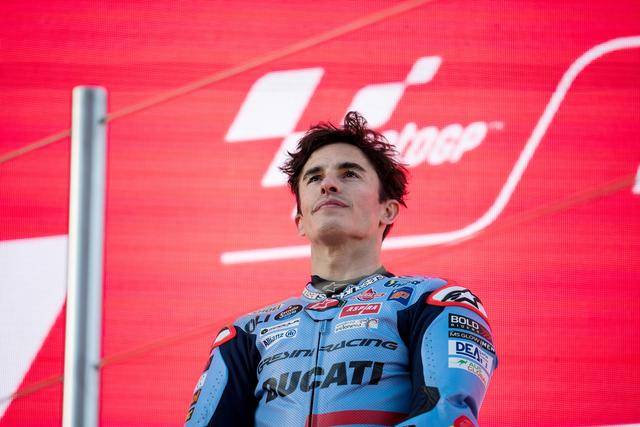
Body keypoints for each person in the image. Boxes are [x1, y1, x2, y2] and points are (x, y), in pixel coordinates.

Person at [185, 111, 497, 427]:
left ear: (388, 211)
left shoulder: (432, 301)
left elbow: (447, 416)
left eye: (349, 174)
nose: (328, 185)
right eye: (314, 177)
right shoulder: (248, 332)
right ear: (300, 221)